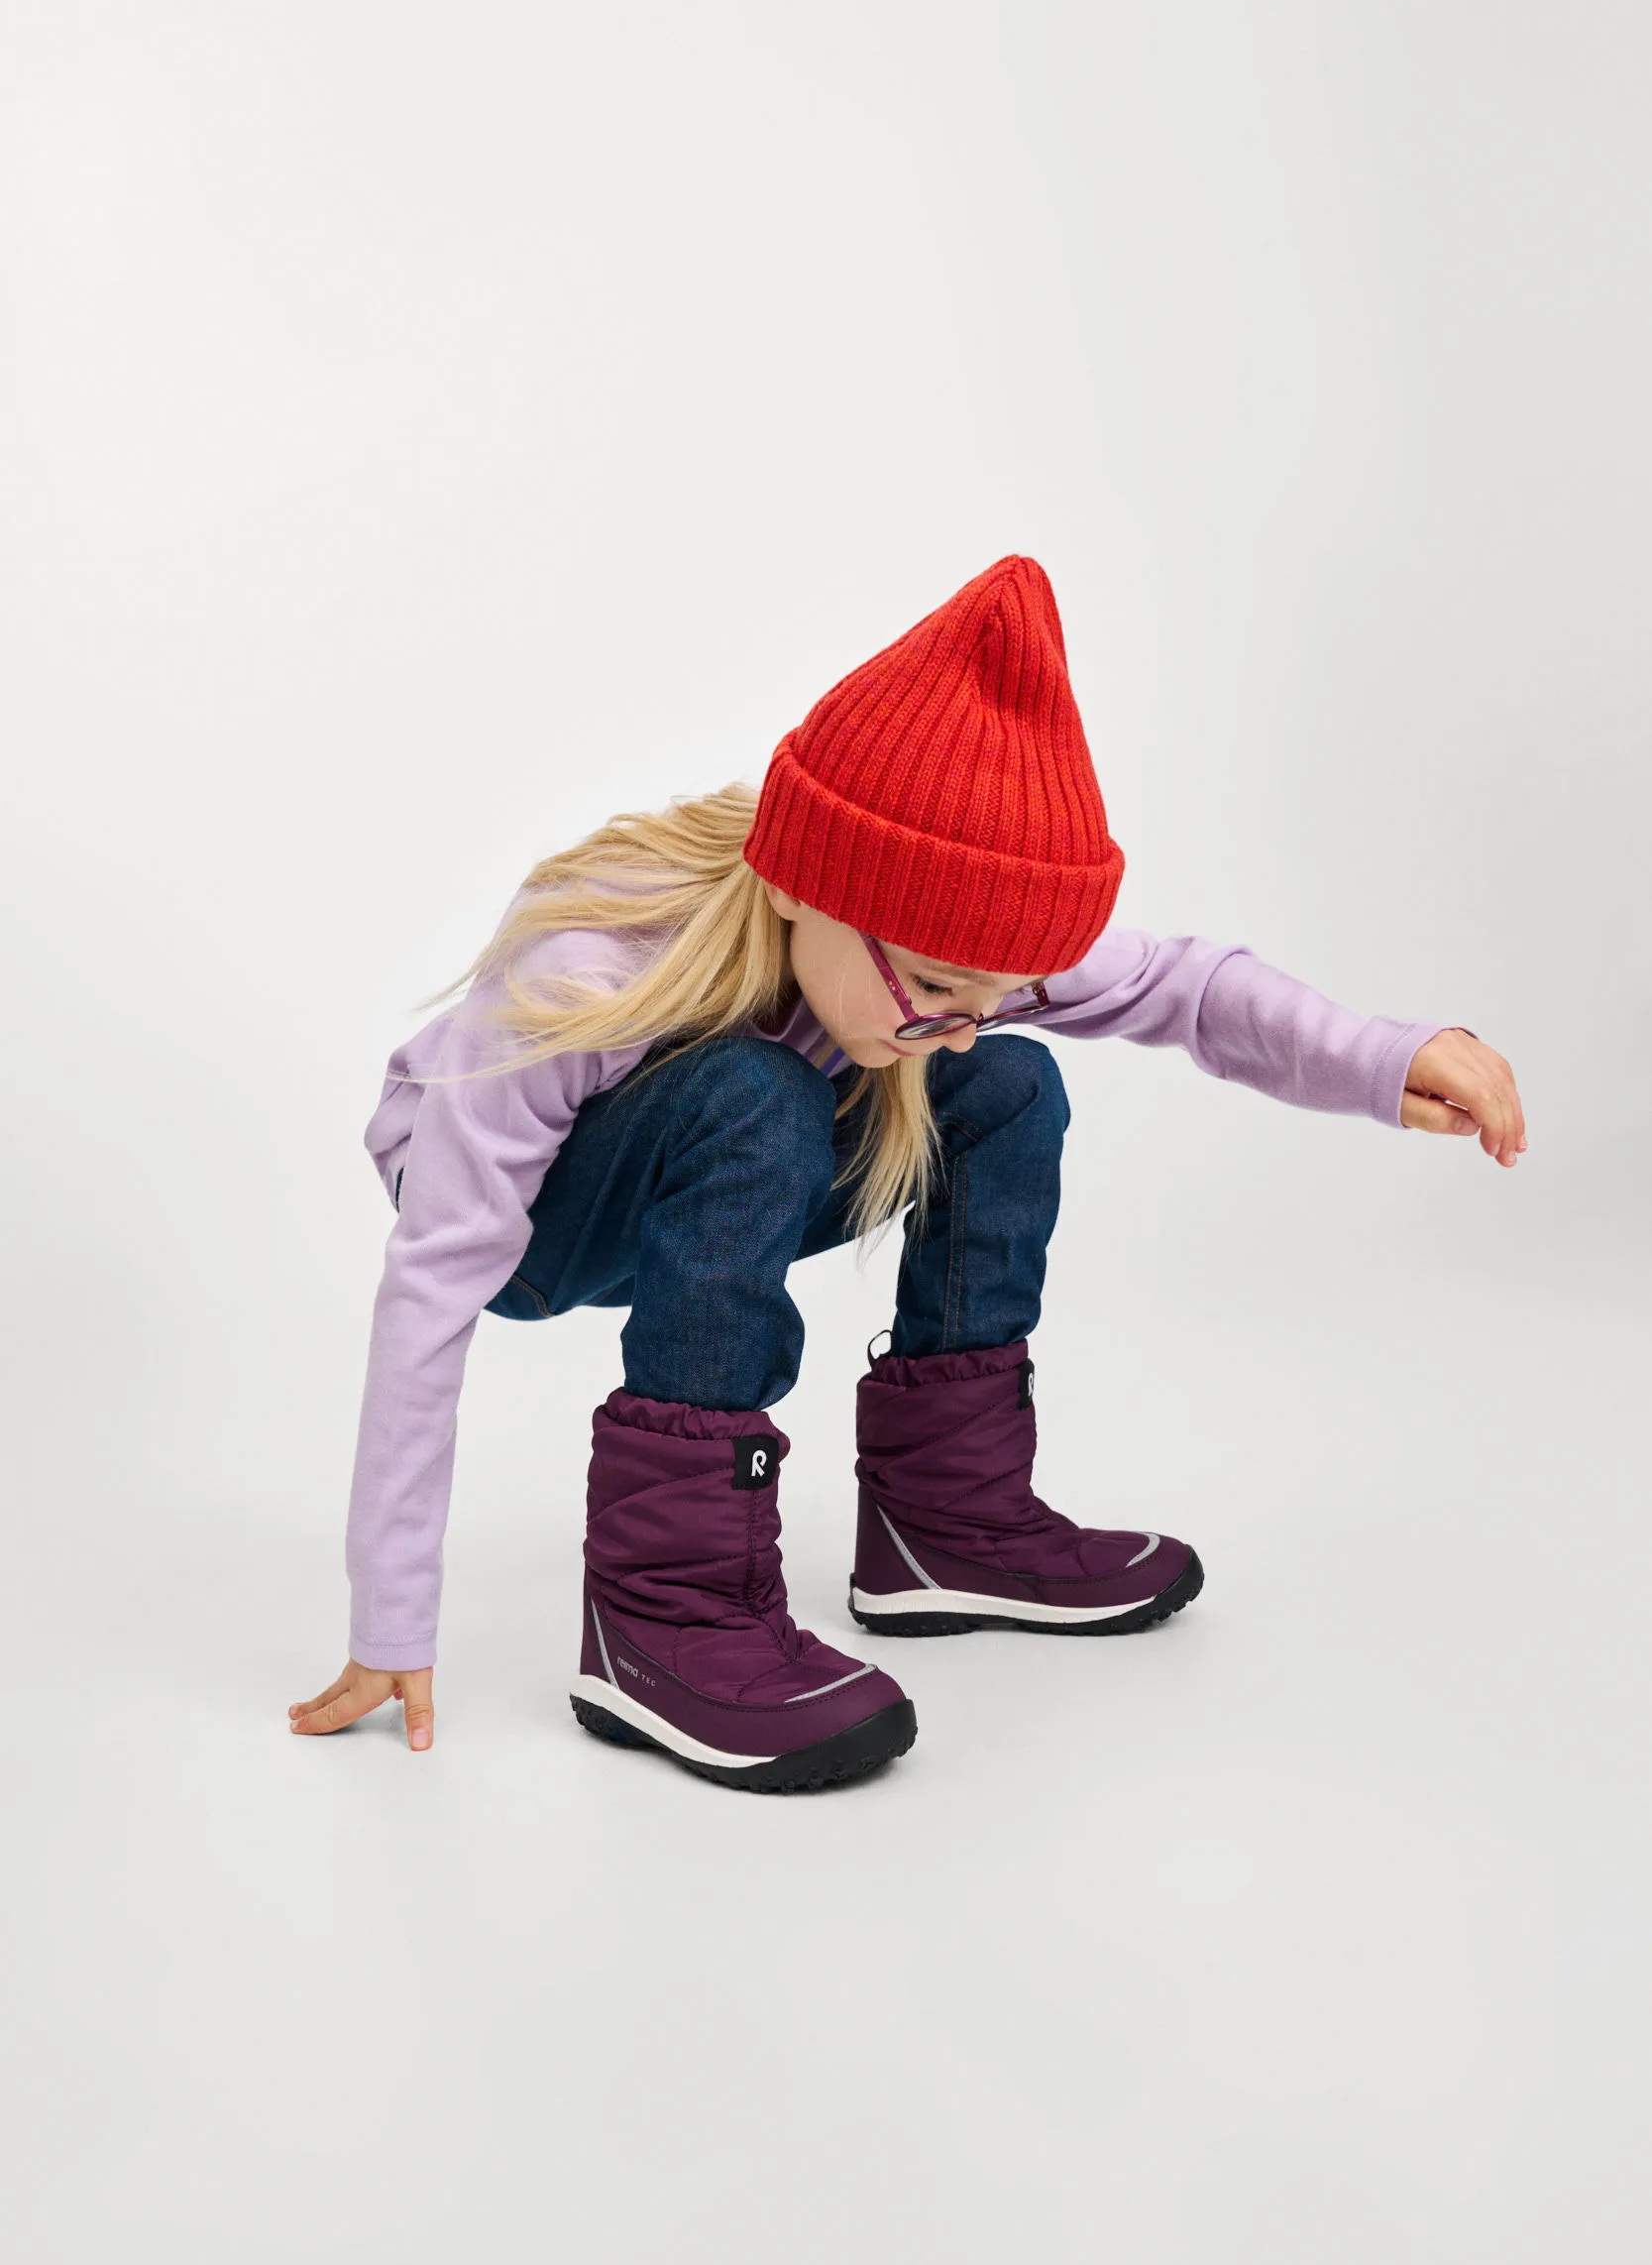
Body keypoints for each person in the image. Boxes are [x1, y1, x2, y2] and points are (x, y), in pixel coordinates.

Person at [288, 555, 1525, 1791]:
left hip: (729, 1176)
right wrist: (390, 1618)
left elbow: (1181, 987)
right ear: (804, 888)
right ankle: (660, 1613)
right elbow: (433, 1283)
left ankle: (946, 1525)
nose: (958, 1021)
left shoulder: (945, 969)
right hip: (531, 1230)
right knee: (756, 1090)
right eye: (936, 988)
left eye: (988, 990)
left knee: (1004, 1088)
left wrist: (1388, 1056)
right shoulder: (591, 967)